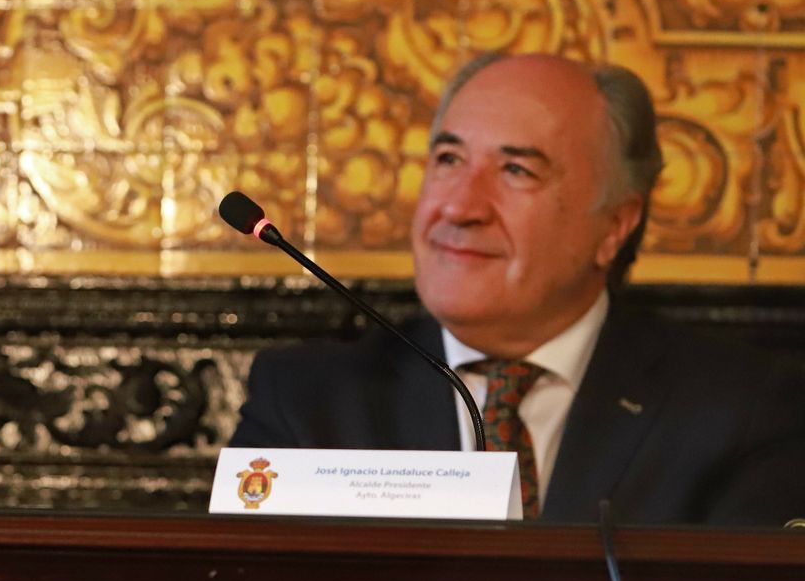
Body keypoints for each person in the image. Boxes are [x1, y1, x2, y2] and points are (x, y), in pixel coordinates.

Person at [230, 53, 805, 526]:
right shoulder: (306, 404)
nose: (458, 206)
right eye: (449, 159)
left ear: (615, 225)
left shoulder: (740, 411)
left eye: (516, 171)